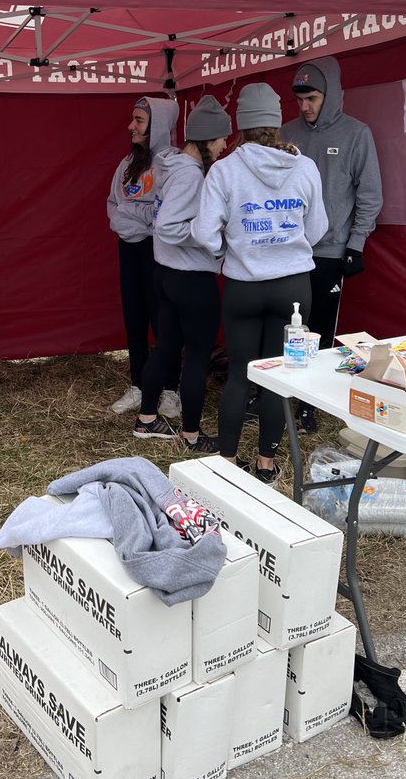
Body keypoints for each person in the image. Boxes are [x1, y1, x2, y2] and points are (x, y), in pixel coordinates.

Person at [193, 83, 327, 484]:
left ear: (241, 125)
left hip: (243, 286)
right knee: (278, 375)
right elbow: (318, 228)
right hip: (293, 288)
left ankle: (228, 463)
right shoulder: (304, 168)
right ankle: (266, 464)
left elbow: (203, 232)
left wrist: (228, 250)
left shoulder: (225, 169)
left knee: (240, 374)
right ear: (276, 120)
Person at [281, 57, 382, 432]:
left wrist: (356, 244)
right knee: (288, 324)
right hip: (288, 250)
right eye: (300, 100)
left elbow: (369, 194)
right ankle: (280, 396)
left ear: (332, 95)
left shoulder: (356, 134)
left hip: (329, 250)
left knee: (319, 329)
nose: (305, 107)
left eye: (312, 98)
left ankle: (310, 405)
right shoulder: (286, 132)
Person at [132, 95, 232, 452]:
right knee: (198, 354)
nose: (225, 145)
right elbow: (170, 226)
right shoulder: (190, 174)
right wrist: (211, 240)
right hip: (191, 278)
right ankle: (191, 435)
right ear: (205, 139)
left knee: (167, 348)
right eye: (221, 138)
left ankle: (147, 420)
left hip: (167, 274)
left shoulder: (172, 165)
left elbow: (163, 220)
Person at [107, 95, 181, 418]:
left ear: (158, 126)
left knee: (163, 321)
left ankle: (170, 390)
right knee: (134, 318)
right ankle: (138, 384)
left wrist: (135, 214)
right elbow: (113, 208)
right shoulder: (126, 165)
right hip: (130, 249)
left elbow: (164, 213)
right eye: (133, 119)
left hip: (158, 251)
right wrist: (138, 216)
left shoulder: (170, 165)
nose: (131, 126)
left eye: (139, 120)